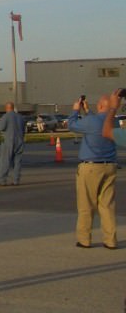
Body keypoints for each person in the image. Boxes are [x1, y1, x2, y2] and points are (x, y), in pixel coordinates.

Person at [68, 94, 117, 249]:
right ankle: (110, 240)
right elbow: (97, 123)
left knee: (86, 205)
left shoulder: (92, 121)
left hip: (91, 167)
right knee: (107, 206)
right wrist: (87, 111)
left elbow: (72, 125)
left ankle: (84, 239)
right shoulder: (112, 122)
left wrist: (76, 110)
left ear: (101, 106)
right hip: (109, 166)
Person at [0, 102, 25, 186]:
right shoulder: (20, 117)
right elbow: (23, 129)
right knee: (17, 161)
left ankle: (2, 180)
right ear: (13, 107)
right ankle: (16, 180)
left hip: (8, 141)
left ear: (7, 108)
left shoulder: (5, 116)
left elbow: (1, 128)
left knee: (5, 160)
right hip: (20, 141)